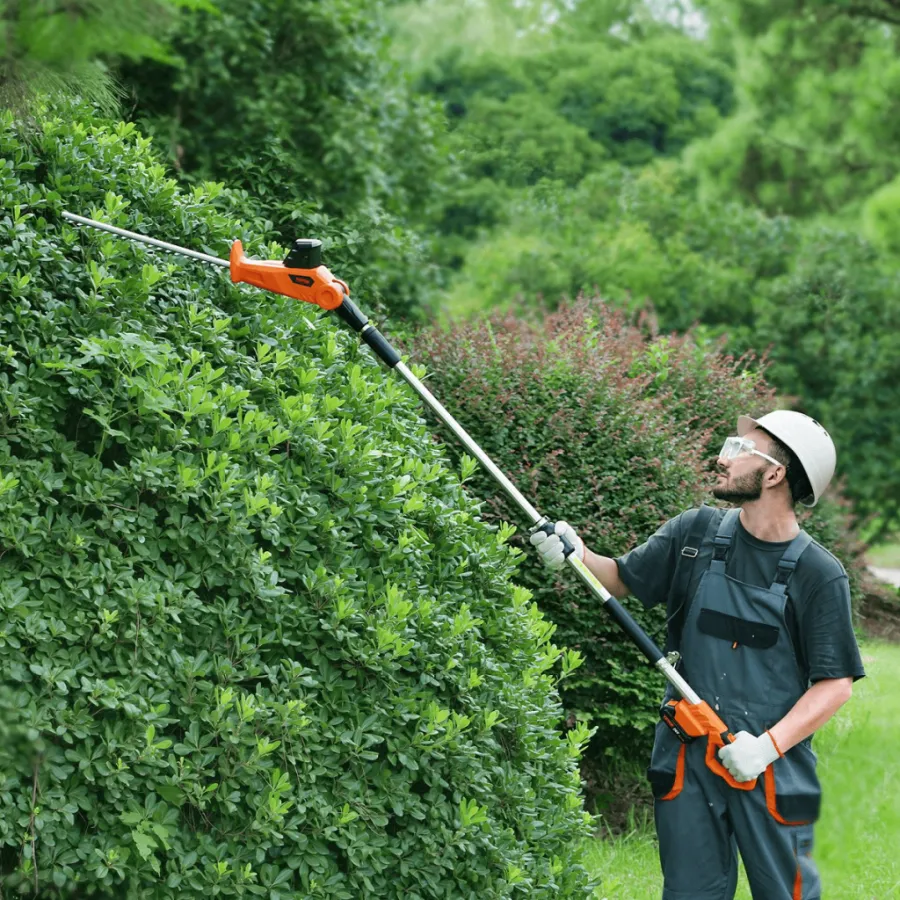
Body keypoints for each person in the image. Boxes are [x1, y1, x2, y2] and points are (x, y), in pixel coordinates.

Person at [530, 411, 865, 900]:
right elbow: (621, 578)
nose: (721, 458)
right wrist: (576, 552)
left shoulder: (818, 573)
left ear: (774, 474)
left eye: (739, 448)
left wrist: (766, 748)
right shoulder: (696, 534)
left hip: (770, 767)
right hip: (688, 756)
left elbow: (835, 684)